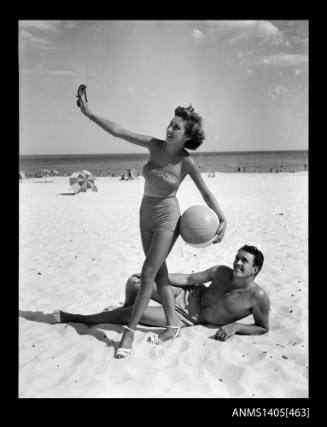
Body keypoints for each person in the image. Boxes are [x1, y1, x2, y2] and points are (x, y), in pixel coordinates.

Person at [75, 85, 227, 358]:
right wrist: (90, 113)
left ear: (187, 136)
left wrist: (222, 216)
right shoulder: (154, 144)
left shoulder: (186, 161)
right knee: (160, 273)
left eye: (177, 128)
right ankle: (173, 324)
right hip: (145, 212)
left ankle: (128, 333)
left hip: (167, 216)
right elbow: (119, 131)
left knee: (147, 274)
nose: (170, 129)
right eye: (170, 124)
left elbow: (205, 191)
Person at [53, 245, 269, 347]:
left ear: (255, 269)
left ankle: (78, 318)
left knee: (130, 314)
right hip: (185, 294)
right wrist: (154, 275)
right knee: (134, 281)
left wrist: (237, 327)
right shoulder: (221, 271)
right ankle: (128, 308)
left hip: (188, 317)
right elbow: (188, 279)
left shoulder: (258, 297)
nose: (237, 263)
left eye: (244, 261)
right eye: (237, 257)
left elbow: (263, 327)